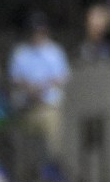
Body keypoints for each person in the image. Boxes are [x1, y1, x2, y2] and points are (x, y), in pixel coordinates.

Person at [6, 11, 70, 159]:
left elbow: (61, 78)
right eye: (33, 30)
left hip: (49, 107)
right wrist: (30, 89)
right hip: (27, 108)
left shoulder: (55, 52)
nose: (36, 34)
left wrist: (42, 88)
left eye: (39, 30)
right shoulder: (20, 53)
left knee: (52, 151)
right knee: (26, 152)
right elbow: (14, 78)